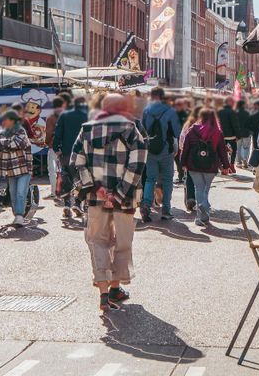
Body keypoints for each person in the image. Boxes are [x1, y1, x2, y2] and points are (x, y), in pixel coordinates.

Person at [71, 93, 147, 312]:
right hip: (124, 200)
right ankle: (115, 288)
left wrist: (96, 188)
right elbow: (138, 163)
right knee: (122, 242)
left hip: (95, 197)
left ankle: (103, 293)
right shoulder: (131, 129)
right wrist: (119, 193)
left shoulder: (87, 129)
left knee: (97, 241)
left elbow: (76, 162)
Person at [180, 108, 231, 227]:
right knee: (205, 189)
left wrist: (183, 163)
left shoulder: (192, 130)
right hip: (211, 165)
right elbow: (222, 151)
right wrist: (226, 166)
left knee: (198, 188)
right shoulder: (217, 132)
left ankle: (201, 214)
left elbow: (186, 147)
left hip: (194, 165)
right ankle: (204, 209)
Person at [141, 86, 181, 222]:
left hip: (150, 150)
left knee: (150, 178)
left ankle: (146, 204)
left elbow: (141, 131)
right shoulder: (170, 111)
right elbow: (176, 132)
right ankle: (166, 209)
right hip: (166, 150)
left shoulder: (145, 111)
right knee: (168, 180)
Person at [0, 109, 34, 227]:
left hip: (24, 168)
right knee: (13, 193)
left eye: (5, 119)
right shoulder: (1, 133)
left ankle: (20, 216)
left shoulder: (21, 131)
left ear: (11, 120)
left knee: (21, 193)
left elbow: (16, 143)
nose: (3, 122)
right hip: (10, 169)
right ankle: (17, 215)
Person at [53, 95, 90, 219]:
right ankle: (78, 201)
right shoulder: (88, 115)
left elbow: (57, 133)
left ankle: (67, 204)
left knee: (66, 178)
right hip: (83, 153)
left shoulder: (64, 115)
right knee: (82, 179)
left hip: (66, 152)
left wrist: (56, 148)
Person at [43, 96, 66, 200]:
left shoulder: (51, 117)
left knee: (52, 170)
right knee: (64, 170)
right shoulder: (67, 115)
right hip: (66, 146)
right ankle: (65, 191)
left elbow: (48, 133)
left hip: (53, 146)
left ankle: (54, 192)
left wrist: (47, 142)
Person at [217, 96, 242, 165]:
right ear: (229, 102)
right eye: (233, 102)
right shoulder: (232, 112)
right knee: (233, 150)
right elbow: (235, 125)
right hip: (231, 136)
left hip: (221, 135)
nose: (234, 103)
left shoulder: (219, 111)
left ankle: (220, 164)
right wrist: (238, 136)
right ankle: (231, 165)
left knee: (221, 150)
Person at [173, 98, 190, 183]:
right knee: (179, 159)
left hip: (180, 139)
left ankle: (182, 176)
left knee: (180, 159)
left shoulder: (183, 114)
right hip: (180, 138)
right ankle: (182, 175)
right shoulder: (185, 114)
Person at [247, 99, 259, 164]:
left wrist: (252, 131)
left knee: (256, 149)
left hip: (255, 134)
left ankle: (256, 164)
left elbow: (248, 124)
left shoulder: (253, 114)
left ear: (258, 105)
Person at [234, 99, 251, 169]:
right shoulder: (247, 113)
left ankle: (238, 162)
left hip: (238, 134)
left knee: (238, 148)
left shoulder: (235, 113)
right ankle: (245, 160)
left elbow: (234, 124)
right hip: (246, 133)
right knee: (246, 147)